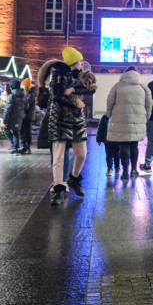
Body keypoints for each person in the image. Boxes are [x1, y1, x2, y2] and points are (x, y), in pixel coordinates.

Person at [40, 47, 95, 206]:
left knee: (82, 154)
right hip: (60, 120)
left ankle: (74, 178)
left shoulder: (82, 74)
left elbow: (90, 89)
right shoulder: (57, 74)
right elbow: (56, 96)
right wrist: (75, 101)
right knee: (58, 157)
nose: (82, 63)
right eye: (79, 61)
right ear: (73, 62)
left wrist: (72, 89)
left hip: (76, 120)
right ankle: (58, 189)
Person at [107, 66, 152, 179]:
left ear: (125, 74)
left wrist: (110, 115)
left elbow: (109, 102)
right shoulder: (143, 87)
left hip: (120, 120)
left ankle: (125, 171)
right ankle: (134, 170)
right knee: (134, 145)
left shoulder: (117, 86)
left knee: (123, 145)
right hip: (138, 121)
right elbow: (149, 104)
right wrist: (146, 117)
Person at [2, 79, 26, 153]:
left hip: (11, 117)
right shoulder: (23, 96)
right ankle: (15, 145)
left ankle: (15, 146)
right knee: (16, 131)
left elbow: (7, 109)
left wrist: (5, 120)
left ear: (12, 87)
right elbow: (27, 106)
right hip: (20, 117)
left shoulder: (11, 96)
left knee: (6, 130)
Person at [18, 77, 36, 154]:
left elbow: (27, 105)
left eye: (22, 86)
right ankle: (24, 145)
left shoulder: (30, 94)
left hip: (28, 116)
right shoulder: (24, 94)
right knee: (22, 131)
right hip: (23, 116)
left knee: (27, 131)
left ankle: (27, 147)